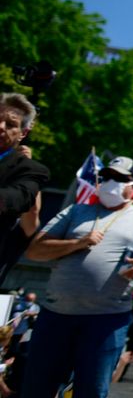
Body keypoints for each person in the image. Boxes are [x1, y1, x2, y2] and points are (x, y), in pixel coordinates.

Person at [21, 155, 133, 398]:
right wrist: (77, 243)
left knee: (91, 391)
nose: (112, 182)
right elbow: (35, 250)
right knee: (36, 389)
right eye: (107, 177)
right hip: (56, 316)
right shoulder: (76, 211)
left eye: (120, 178)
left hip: (106, 321)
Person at [0, 94, 50, 288]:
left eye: (10, 124)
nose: (1, 127)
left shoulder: (30, 170)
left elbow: (19, 198)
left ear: (23, 133)